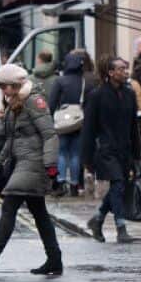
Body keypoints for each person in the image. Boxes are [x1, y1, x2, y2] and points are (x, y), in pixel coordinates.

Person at [0, 64, 63, 275]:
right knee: (39, 213)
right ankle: (54, 259)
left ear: (14, 84)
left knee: (9, 206)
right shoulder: (16, 102)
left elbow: (50, 135)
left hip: (34, 162)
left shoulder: (34, 101)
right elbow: (13, 138)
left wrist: (51, 165)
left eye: (4, 86)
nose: (2, 90)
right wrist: (1, 160)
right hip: (24, 162)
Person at [80, 56, 141, 244]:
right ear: (111, 73)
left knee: (118, 186)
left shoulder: (129, 94)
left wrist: (136, 154)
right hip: (106, 150)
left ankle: (98, 219)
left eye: (126, 68)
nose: (125, 72)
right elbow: (88, 129)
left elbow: (134, 126)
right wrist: (87, 159)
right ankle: (121, 228)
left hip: (125, 150)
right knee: (118, 183)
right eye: (121, 69)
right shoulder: (97, 95)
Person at [48, 50, 95, 196]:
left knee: (62, 152)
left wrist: (50, 119)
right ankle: (75, 185)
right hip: (80, 121)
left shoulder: (60, 81)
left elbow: (52, 102)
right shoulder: (85, 82)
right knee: (76, 154)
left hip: (62, 122)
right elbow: (90, 104)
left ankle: (61, 182)